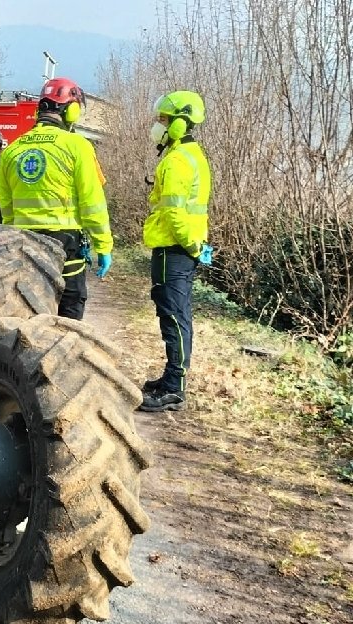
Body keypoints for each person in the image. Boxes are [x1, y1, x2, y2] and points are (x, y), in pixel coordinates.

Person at [0, 76, 112, 320]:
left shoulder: (12, 150)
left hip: (23, 242)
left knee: (23, 312)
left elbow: (6, 207)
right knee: (69, 312)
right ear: (71, 110)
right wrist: (103, 245)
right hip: (65, 242)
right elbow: (92, 202)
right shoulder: (78, 146)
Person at [139, 90, 213, 413]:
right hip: (178, 248)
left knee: (174, 316)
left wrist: (192, 244)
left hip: (175, 249)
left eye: (164, 120)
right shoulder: (189, 156)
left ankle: (174, 387)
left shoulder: (179, 161)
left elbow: (175, 214)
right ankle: (172, 377)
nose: (159, 125)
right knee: (173, 313)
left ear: (180, 125)